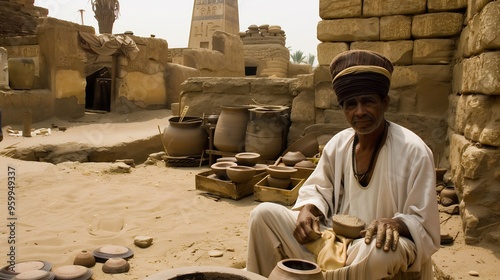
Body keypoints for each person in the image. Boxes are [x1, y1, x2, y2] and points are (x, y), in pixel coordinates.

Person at [246, 50, 440, 280]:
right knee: (264, 214)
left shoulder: (413, 150)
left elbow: (425, 223)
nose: (359, 112)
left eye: (368, 101)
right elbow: (318, 190)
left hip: (372, 248)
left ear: (385, 102)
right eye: (350, 104)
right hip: (333, 240)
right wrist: (308, 209)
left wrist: (398, 223)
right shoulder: (338, 144)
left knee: (378, 252)